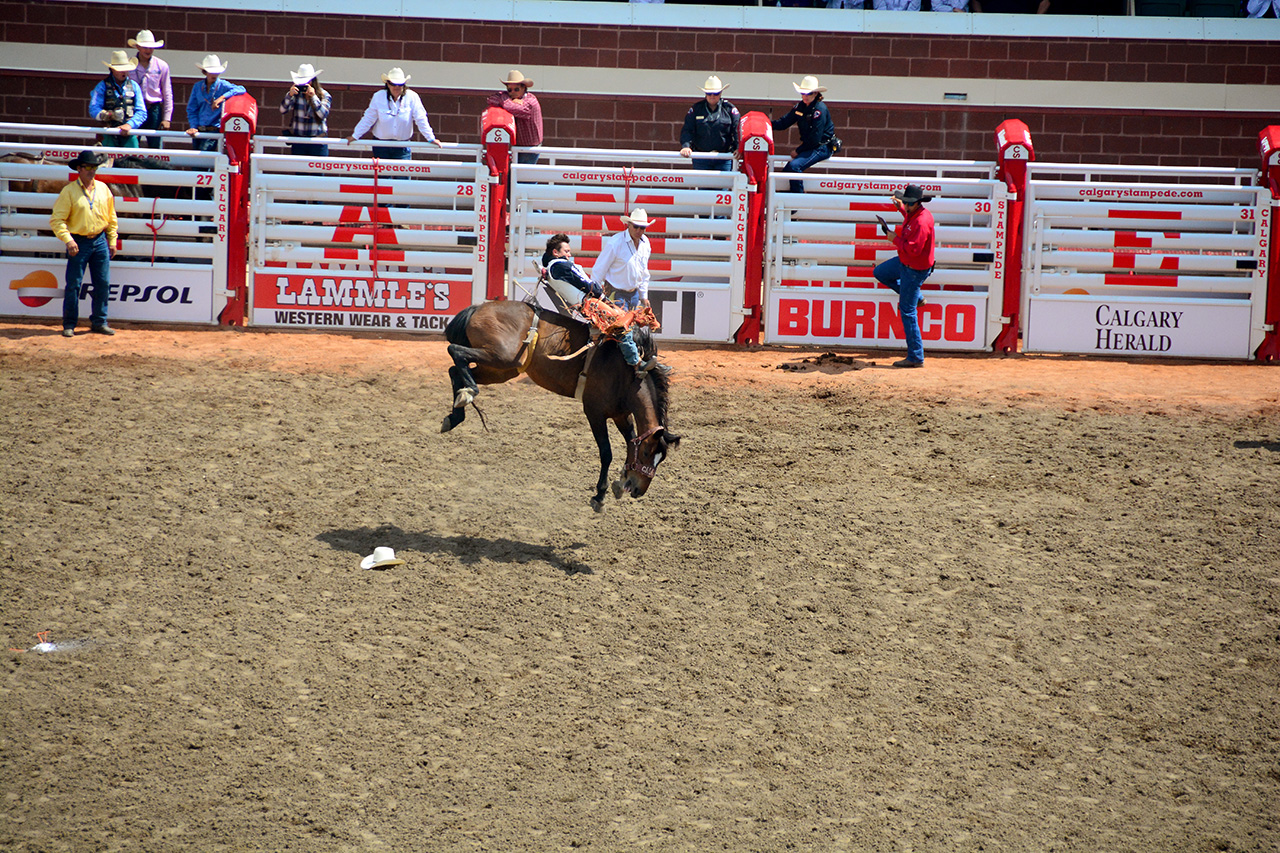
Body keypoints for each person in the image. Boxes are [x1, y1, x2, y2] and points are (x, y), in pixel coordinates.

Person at [547, 233, 649, 373]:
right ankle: (635, 361)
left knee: (623, 318)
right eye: (566, 251)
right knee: (620, 323)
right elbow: (582, 283)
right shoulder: (560, 266)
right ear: (555, 252)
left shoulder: (554, 266)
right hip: (589, 303)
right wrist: (599, 293)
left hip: (588, 301)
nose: (569, 254)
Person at [50, 150, 118, 337]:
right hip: (78, 241)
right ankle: (70, 323)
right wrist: (68, 240)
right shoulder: (69, 191)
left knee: (103, 283)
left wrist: (112, 240)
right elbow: (57, 220)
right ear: (79, 169)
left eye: (94, 167)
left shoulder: (104, 189)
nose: (91, 170)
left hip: (99, 240)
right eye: (87, 167)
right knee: (74, 284)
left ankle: (99, 321)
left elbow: (111, 217)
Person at [873, 185, 936, 368]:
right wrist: (901, 207)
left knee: (907, 312)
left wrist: (894, 239)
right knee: (880, 273)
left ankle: (916, 357)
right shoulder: (917, 213)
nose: (906, 206)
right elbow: (909, 218)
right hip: (908, 263)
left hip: (913, 268)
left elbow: (913, 249)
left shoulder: (921, 222)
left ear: (916, 203)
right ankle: (917, 297)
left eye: (908, 203)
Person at [346, 68, 442, 160]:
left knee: (402, 175)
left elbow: (421, 119)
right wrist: (355, 136)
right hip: (381, 146)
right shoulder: (378, 96)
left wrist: (431, 138)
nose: (396, 87)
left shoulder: (412, 97)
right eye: (393, 84)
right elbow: (368, 118)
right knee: (383, 176)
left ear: (404, 85)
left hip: (402, 146)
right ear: (388, 84)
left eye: (400, 84)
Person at [771, 75, 836, 194]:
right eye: (803, 93)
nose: (805, 96)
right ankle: (787, 204)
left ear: (816, 94)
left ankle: (796, 203)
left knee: (794, 167)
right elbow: (783, 123)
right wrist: (766, 123)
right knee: (787, 172)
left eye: (809, 93)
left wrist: (799, 150)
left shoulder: (819, 109)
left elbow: (815, 138)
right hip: (811, 146)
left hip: (822, 146)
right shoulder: (800, 107)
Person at [592, 208, 653, 313]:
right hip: (616, 294)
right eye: (636, 226)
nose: (638, 230)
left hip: (634, 295)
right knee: (623, 327)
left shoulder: (645, 243)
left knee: (631, 328)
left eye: (642, 228)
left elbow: (644, 271)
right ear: (629, 225)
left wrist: (644, 296)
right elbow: (599, 269)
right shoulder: (615, 243)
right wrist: (594, 295)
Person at [185, 55, 246, 152]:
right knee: (197, 160)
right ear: (205, 72)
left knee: (202, 156)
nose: (214, 74)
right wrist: (193, 126)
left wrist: (222, 97)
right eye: (211, 71)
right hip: (199, 129)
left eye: (216, 72)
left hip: (213, 129)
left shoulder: (223, 85)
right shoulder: (197, 87)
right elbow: (192, 109)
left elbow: (241, 89)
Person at [679, 75, 740, 171]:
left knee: (723, 185)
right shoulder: (696, 109)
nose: (712, 96)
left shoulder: (729, 109)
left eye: (715, 93)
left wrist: (738, 148)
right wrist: (686, 146)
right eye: (709, 93)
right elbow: (688, 129)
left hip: (723, 158)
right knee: (703, 185)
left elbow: (737, 129)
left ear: (720, 93)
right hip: (701, 157)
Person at [90, 50, 147, 149]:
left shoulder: (134, 86)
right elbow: (93, 108)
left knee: (132, 162)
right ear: (112, 70)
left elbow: (142, 111)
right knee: (107, 161)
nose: (123, 72)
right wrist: (107, 115)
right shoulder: (102, 86)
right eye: (119, 69)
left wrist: (129, 125)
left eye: (125, 69)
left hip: (129, 133)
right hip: (108, 132)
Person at [126, 30, 172, 149]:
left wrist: (167, 118)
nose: (148, 50)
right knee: (132, 142)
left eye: (151, 47)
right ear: (138, 47)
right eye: (145, 47)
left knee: (154, 146)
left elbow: (167, 92)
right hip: (133, 108)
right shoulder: (128, 65)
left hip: (153, 109)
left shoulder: (162, 66)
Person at [488, 70, 543, 165]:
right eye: (509, 90)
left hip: (529, 149)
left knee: (523, 177)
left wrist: (506, 101)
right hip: (520, 146)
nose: (512, 92)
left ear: (524, 88)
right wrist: (511, 100)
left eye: (516, 89)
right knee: (517, 176)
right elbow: (491, 99)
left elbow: (513, 108)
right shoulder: (513, 98)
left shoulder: (531, 102)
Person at [280, 63, 331, 157]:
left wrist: (313, 97)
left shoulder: (324, 95)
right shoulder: (295, 94)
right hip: (299, 141)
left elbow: (323, 114)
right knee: (299, 170)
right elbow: (283, 110)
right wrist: (289, 95)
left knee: (317, 171)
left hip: (318, 142)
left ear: (312, 82)